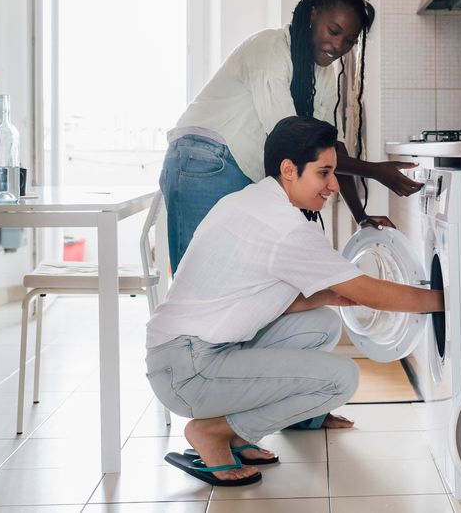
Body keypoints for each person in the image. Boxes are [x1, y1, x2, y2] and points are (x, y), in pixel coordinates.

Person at [147, 116, 444, 486]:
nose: (334, 185)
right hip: (187, 371)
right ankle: (215, 432)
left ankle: (238, 436)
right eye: (324, 173)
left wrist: (332, 294)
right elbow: (370, 291)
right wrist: (448, 299)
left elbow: (248, 299)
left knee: (322, 322)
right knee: (342, 378)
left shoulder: (253, 200)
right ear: (289, 170)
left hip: (184, 353)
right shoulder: (285, 227)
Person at [160, 0, 421, 276]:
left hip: (239, 170)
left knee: (234, 285)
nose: (339, 45)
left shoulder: (324, 73)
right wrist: (375, 171)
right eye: (334, 30)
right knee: (198, 283)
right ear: (313, 15)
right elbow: (292, 141)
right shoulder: (271, 50)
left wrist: (361, 216)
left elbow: (330, 150)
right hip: (203, 162)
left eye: (350, 40)